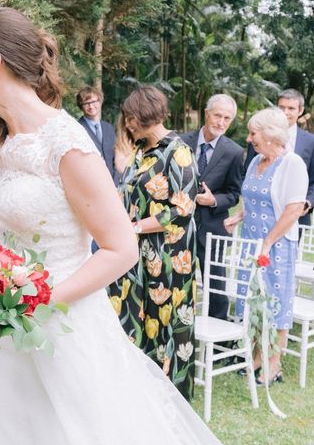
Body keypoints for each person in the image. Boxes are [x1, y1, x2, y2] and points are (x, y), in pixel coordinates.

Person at [0, 7, 220, 444]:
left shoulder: (66, 142)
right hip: (3, 338)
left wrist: (37, 302)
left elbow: (121, 249)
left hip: (63, 327)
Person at [106, 86, 199, 401]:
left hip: (169, 257)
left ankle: (169, 398)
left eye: (130, 118)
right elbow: (126, 192)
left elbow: (182, 208)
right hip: (136, 255)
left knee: (165, 325)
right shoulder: (140, 150)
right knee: (134, 319)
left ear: (144, 114)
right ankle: (138, 395)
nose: (127, 124)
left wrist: (134, 227)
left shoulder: (179, 151)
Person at [225, 108, 308, 385]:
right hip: (251, 243)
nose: (249, 139)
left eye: (253, 133)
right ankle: (258, 356)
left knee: (275, 303)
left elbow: (294, 209)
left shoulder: (292, 164)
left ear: (271, 135)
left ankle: (274, 364)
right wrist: (238, 217)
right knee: (253, 301)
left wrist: (268, 242)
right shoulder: (255, 161)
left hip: (277, 245)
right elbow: (251, 200)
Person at [181, 93, 244, 320]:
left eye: (227, 118)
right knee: (179, 282)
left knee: (215, 283)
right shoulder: (180, 142)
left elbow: (234, 194)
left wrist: (214, 200)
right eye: (218, 115)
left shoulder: (234, 152)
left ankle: (220, 341)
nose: (221, 122)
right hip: (179, 225)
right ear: (207, 114)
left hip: (212, 226)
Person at [244, 89, 314, 227]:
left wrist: (307, 203)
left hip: (296, 218)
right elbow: (247, 175)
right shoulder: (258, 139)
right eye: (281, 107)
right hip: (260, 216)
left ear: (300, 110)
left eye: (291, 108)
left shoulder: (312, 142)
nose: (285, 112)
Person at [76, 86, 119, 184]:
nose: (91, 106)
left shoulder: (109, 128)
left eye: (94, 102)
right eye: (86, 103)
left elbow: (116, 158)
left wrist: (116, 184)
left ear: (100, 102)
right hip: (90, 185)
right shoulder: (77, 129)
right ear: (81, 106)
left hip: (113, 185)